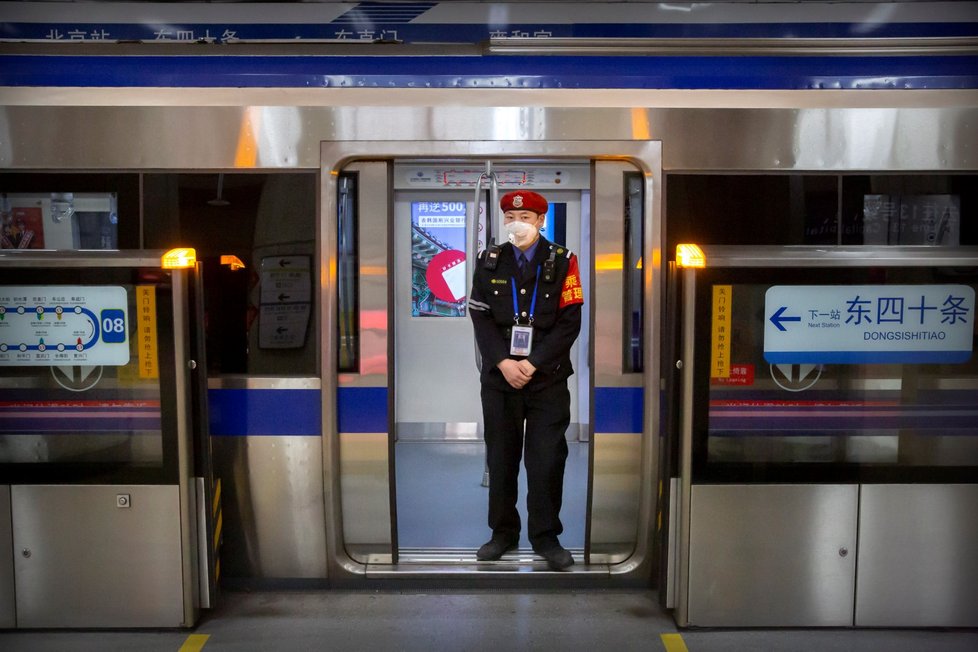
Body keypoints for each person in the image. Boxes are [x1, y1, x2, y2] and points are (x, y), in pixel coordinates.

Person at [468, 189, 584, 571]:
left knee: (547, 460)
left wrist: (531, 363)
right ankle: (502, 533)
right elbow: (481, 317)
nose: (515, 224)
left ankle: (546, 537)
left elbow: (569, 323)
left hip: (546, 379)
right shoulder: (489, 261)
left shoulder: (564, 261)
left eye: (525, 218)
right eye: (509, 218)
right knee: (501, 459)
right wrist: (502, 361)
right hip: (500, 379)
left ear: (540, 221)